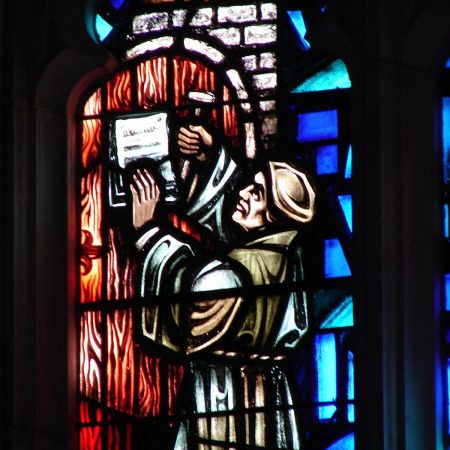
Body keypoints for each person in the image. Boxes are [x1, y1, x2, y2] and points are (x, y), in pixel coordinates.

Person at [130, 124, 315, 450]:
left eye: (257, 193)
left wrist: (149, 233)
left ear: (273, 217)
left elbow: (187, 319)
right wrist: (212, 156)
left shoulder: (232, 276)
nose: (242, 193)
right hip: (270, 398)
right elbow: (239, 232)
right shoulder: (286, 258)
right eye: (250, 185)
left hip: (222, 401)